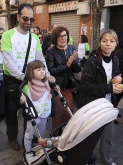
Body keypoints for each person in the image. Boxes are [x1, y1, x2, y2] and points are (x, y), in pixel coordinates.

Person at [0, 3, 55, 151]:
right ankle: (12, 138)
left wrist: (47, 75)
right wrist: (21, 76)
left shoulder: (35, 38)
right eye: (25, 18)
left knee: (30, 111)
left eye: (31, 19)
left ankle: (28, 139)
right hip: (13, 79)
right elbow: (7, 60)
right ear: (18, 17)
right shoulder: (7, 35)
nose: (28, 22)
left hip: (31, 80)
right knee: (12, 111)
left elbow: (40, 58)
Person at [77, 29, 122, 165]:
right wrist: (109, 88)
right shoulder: (91, 61)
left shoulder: (116, 60)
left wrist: (118, 77)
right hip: (93, 106)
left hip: (108, 106)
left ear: (116, 44)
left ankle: (105, 161)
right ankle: (86, 160)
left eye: (111, 41)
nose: (108, 44)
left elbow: (115, 75)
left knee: (108, 137)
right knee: (89, 138)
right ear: (100, 43)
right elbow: (85, 85)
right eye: (104, 41)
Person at [45, 26, 81, 135]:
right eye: (60, 36)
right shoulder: (51, 51)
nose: (63, 38)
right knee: (58, 112)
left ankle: (63, 132)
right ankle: (54, 135)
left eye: (65, 35)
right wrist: (67, 64)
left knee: (69, 111)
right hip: (57, 87)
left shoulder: (71, 48)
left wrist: (75, 62)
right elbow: (51, 70)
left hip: (69, 86)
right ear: (55, 38)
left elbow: (78, 69)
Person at [20, 60, 52, 162]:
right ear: (31, 72)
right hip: (33, 116)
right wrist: (21, 100)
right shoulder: (27, 87)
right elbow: (21, 99)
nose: (42, 72)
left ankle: (39, 147)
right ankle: (28, 151)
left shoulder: (46, 84)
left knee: (41, 134)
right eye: (38, 70)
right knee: (29, 134)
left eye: (43, 69)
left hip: (44, 114)